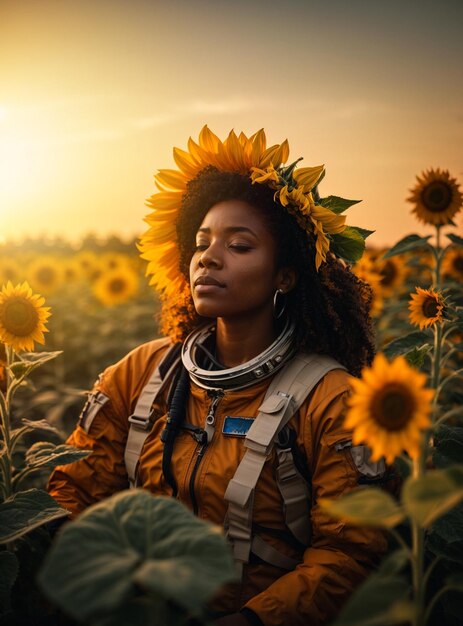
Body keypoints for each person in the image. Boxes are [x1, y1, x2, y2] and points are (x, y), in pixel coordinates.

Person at [48, 127, 388, 626]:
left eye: (239, 245)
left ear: (285, 275)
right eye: (202, 243)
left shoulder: (330, 399)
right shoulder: (142, 375)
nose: (209, 257)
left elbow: (353, 552)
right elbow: (74, 494)